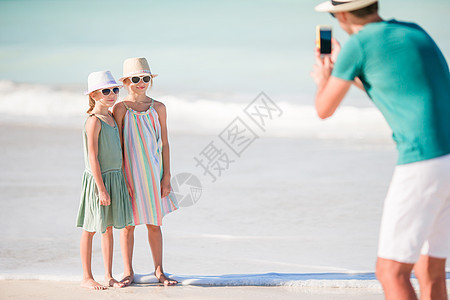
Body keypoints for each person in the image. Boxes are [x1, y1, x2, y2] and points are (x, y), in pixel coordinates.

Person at [311, 0, 450, 299]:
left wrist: (326, 79)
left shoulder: (358, 44)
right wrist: (347, 71)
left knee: (390, 271)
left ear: (344, 15)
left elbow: (324, 108)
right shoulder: (414, 31)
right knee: (431, 271)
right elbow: (393, 82)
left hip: (422, 161)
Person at [113, 57, 179, 286]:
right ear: (125, 81)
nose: (141, 83)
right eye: (136, 79)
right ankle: (128, 271)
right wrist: (122, 176)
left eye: (145, 78)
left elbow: (165, 143)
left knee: (154, 223)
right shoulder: (120, 108)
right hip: (129, 172)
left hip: (153, 172)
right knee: (128, 224)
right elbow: (118, 144)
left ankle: (159, 270)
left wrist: (167, 175)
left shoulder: (158, 107)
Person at [77, 70, 135, 290]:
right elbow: (92, 157)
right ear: (93, 95)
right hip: (98, 181)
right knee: (91, 228)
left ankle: (108, 275)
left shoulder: (111, 117)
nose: (112, 94)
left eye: (114, 90)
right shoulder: (93, 121)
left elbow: (119, 150)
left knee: (108, 228)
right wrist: (101, 189)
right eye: (106, 91)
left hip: (115, 177)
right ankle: (86, 277)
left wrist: (124, 179)